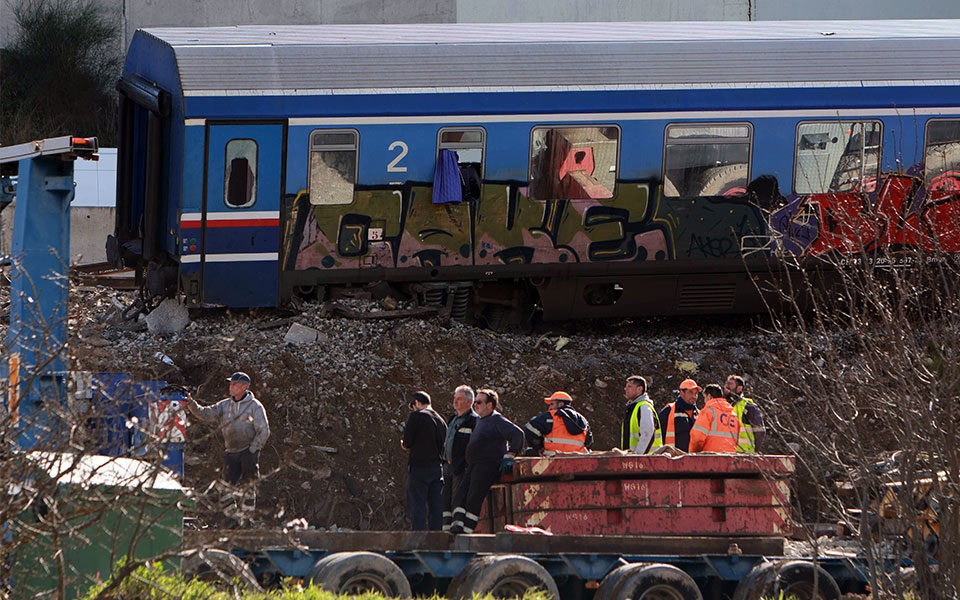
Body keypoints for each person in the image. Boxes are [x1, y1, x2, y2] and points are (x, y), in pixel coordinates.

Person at [186, 371, 270, 525]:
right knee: (224, 489)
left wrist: (253, 449)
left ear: (244, 387)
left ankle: (247, 522)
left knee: (248, 487)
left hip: (248, 451)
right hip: (231, 452)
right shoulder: (225, 405)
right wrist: (191, 403)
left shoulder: (255, 406)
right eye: (230, 384)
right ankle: (233, 520)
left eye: (234, 384)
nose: (230, 387)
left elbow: (264, 431)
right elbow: (205, 414)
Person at [449, 388, 524, 534]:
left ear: (489, 405)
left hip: (487, 465)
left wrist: (510, 455)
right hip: (474, 465)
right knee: (460, 496)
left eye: (479, 402)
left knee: (473, 497)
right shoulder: (481, 420)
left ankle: (467, 530)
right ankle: (457, 527)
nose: (475, 405)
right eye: (475, 402)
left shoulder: (496, 420)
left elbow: (517, 434)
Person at [401, 390, 448, 531]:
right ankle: (436, 538)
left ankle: (418, 538)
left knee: (418, 505)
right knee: (436, 507)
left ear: (416, 403)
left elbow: (407, 442)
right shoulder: (441, 421)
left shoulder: (417, 416)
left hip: (419, 468)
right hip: (437, 469)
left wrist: (403, 444)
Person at [442, 385, 478, 531]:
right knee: (445, 499)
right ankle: (446, 528)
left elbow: (473, 446)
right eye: (455, 398)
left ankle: (458, 526)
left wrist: (466, 463)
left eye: (459, 399)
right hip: (447, 465)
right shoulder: (452, 419)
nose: (455, 401)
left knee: (458, 498)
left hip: (462, 466)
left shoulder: (473, 421)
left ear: (469, 402)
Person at [524, 391, 593, 455]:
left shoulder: (551, 416)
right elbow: (589, 442)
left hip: (551, 458)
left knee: (530, 452)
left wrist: (539, 446)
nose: (550, 408)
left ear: (560, 404)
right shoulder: (583, 420)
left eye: (552, 404)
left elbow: (529, 429)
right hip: (578, 459)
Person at [689, 383, 741, 453]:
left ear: (709, 396)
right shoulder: (733, 416)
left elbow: (697, 437)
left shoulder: (708, 412)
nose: (704, 401)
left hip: (710, 456)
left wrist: (693, 453)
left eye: (705, 397)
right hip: (730, 456)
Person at [620, 375, 662, 454]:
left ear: (639, 389)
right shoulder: (633, 408)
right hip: (634, 459)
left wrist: (638, 455)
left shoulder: (644, 407)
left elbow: (647, 433)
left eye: (629, 386)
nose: (625, 389)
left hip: (647, 459)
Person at [724, 375, 766, 453]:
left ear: (739, 388)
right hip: (728, 453)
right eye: (726, 383)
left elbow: (760, 431)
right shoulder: (724, 405)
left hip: (745, 454)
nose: (726, 386)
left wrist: (755, 451)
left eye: (730, 384)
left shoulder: (749, 407)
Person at [658, 379, 701, 451]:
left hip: (694, 456)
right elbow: (658, 435)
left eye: (696, 393)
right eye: (690, 392)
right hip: (673, 456)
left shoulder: (699, 414)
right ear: (681, 393)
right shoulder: (669, 411)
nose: (694, 396)